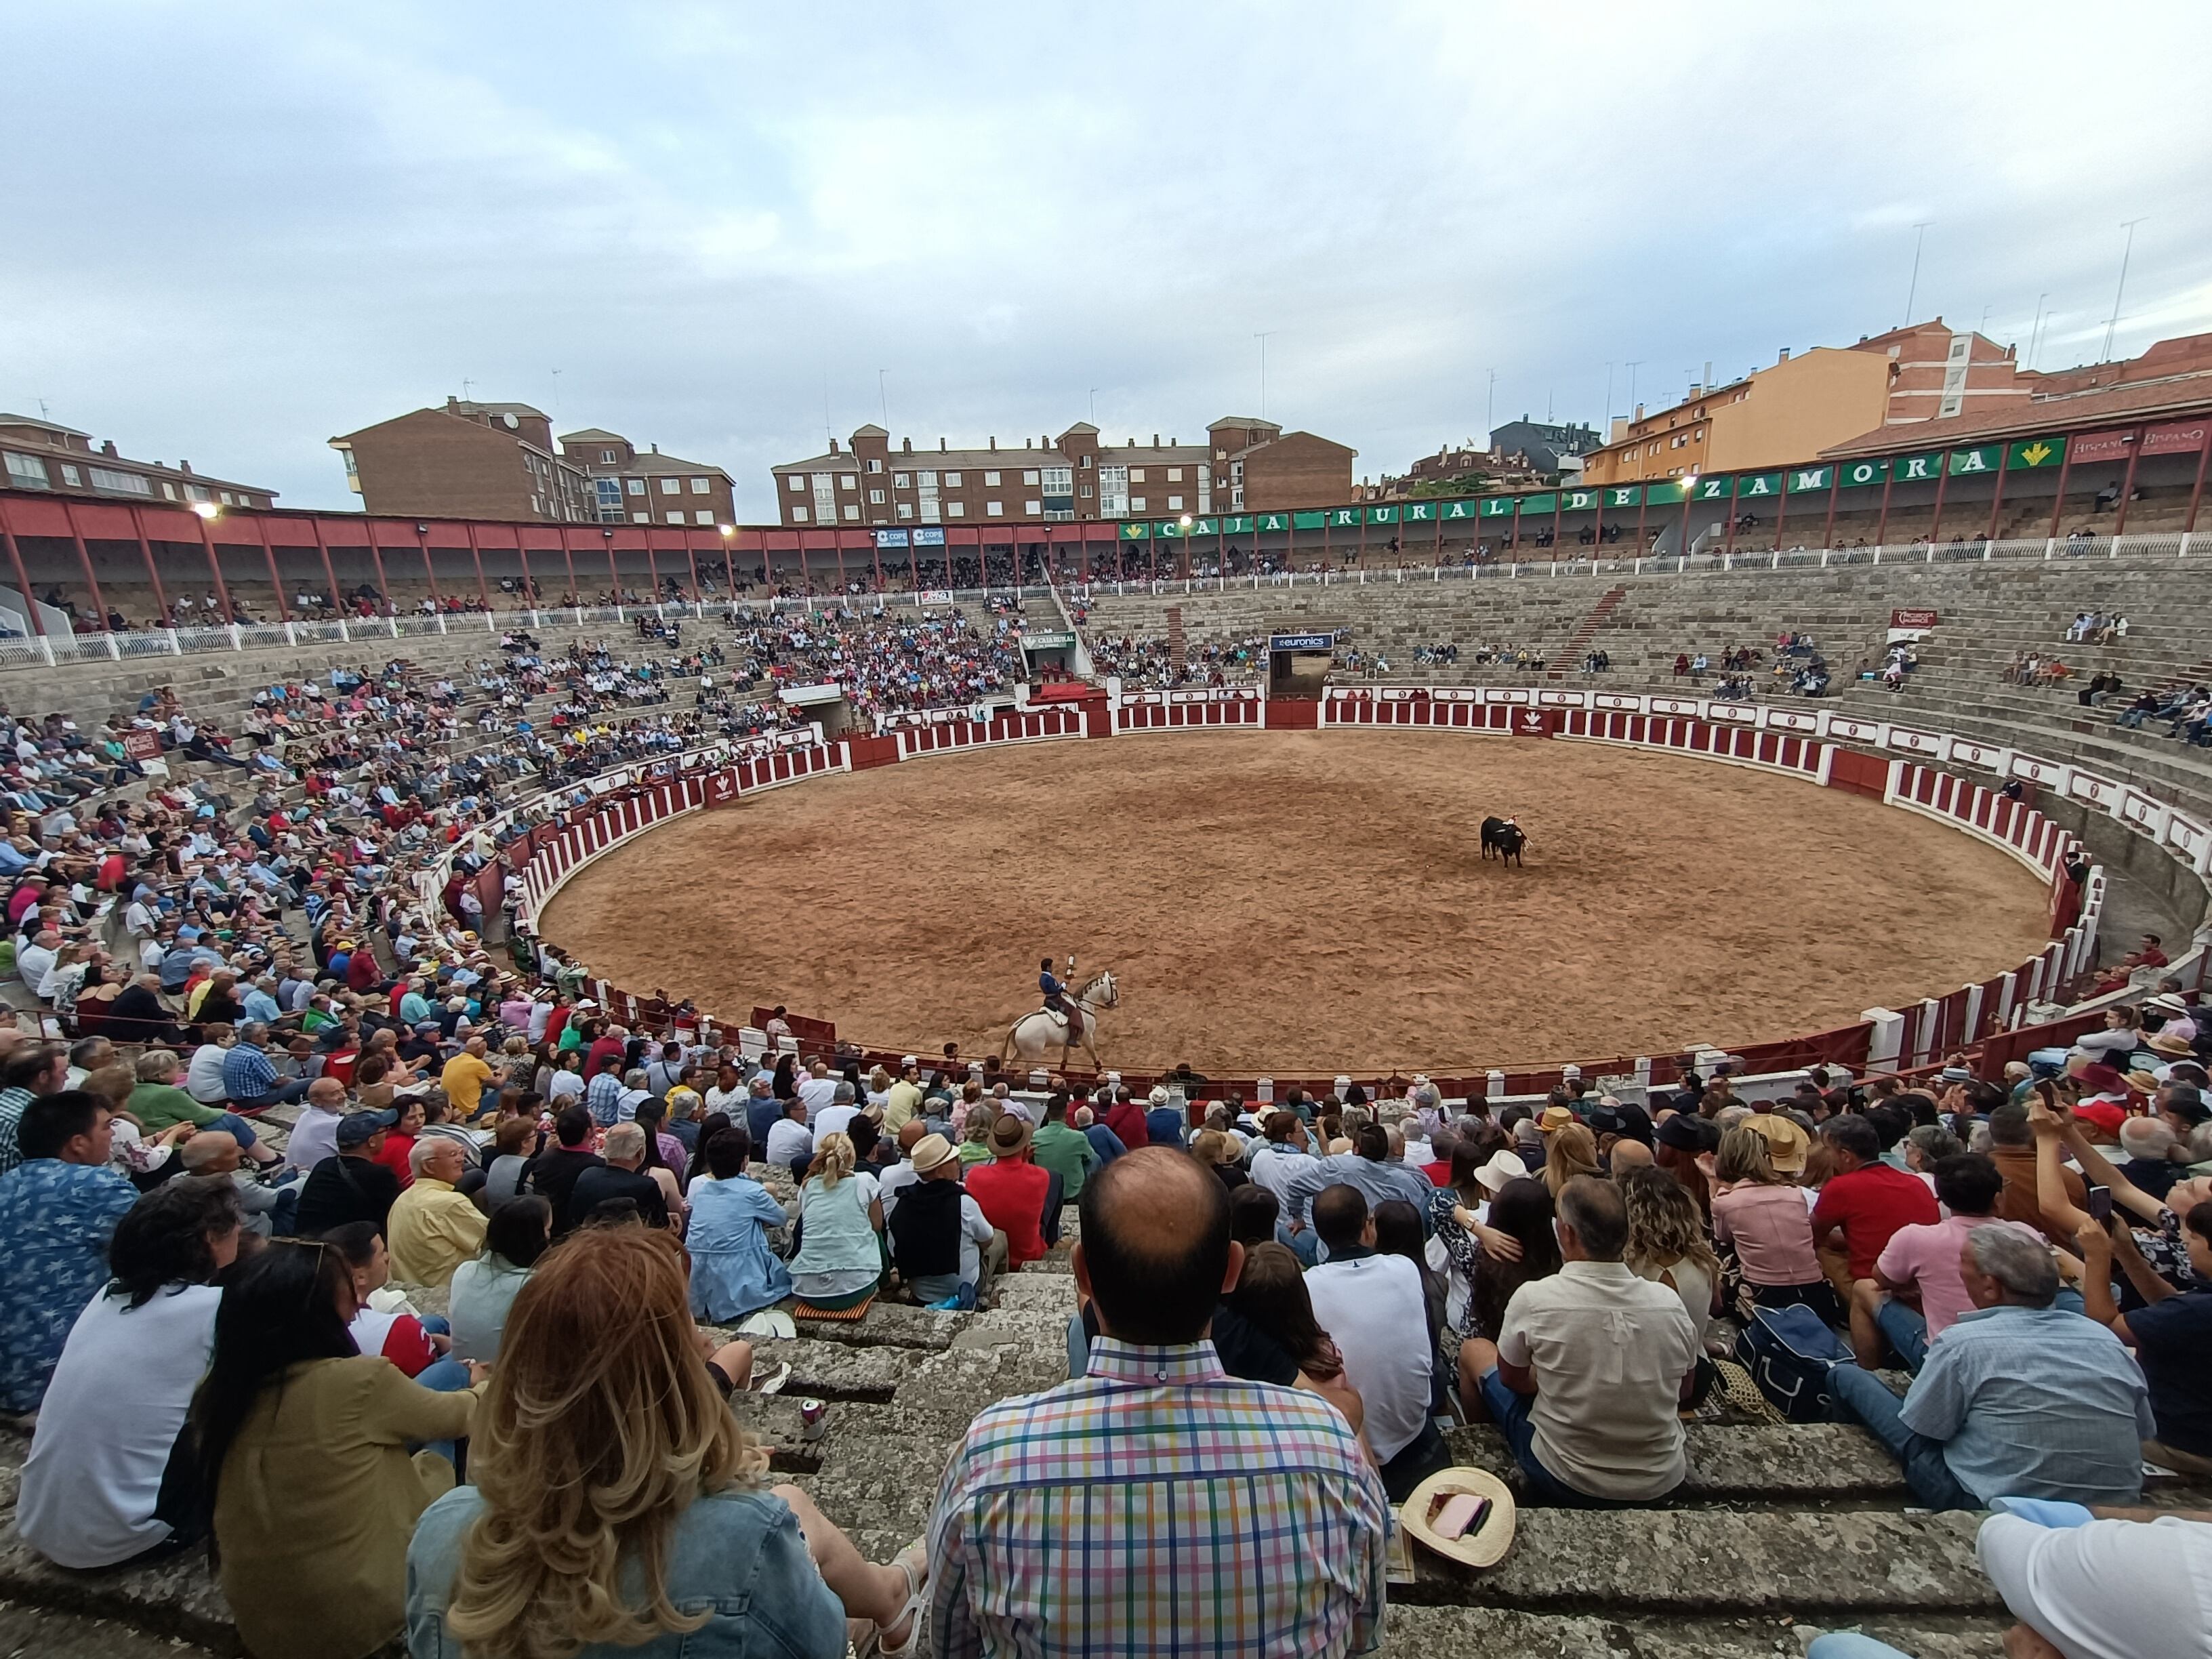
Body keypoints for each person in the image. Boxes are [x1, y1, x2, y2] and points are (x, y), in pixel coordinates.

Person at [928, 1147, 1388, 1656]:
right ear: (1232, 1270)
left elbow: (954, 1645)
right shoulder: (1331, 1449)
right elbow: (1360, 1635)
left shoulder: (992, 1459)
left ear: (1081, 1273)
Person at [407, 1225, 924, 1659]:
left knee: (791, 1504)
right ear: (672, 1375)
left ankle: (889, 1595)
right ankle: (889, 1599)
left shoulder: (441, 1530)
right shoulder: (744, 1539)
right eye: (690, 1334)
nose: (703, 1340)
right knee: (793, 1520)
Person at [190, 1238, 485, 1659]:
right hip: (365, 1614)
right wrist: (483, 1383)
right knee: (450, 1443)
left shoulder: (215, 1394)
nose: (359, 1304)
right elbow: (458, 1417)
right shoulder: (357, 1383)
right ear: (318, 1312)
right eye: (348, 1293)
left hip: (264, 1625)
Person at [1827, 1224, 2154, 1510]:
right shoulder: (2105, 1339)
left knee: (1847, 1376)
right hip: (2114, 1504)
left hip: (1989, 1501)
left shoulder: (1964, 1343)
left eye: (1963, 1267)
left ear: (1990, 1286)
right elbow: (2142, 1429)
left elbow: (1924, 1428)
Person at [17, 1176, 241, 1568]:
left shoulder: (107, 1297)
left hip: (42, 1523)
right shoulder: (215, 1310)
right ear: (210, 1239)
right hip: (125, 1534)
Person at [1460, 1174, 1700, 1507]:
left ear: (1567, 1233)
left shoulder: (1534, 1298)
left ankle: (1482, 1447)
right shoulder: (1670, 1303)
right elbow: (1684, 1389)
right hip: (1661, 1476)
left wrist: (1557, 1378)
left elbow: (1512, 1379)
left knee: (1474, 1350)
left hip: (1565, 1475)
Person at [0, 1090, 140, 1411]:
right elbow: (173, 1245)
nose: (112, 1134)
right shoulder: (97, 1185)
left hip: (11, 1368)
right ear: (78, 1143)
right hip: (57, 1372)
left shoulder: (8, 1181)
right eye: (107, 1127)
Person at [1303, 1183, 1445, 1499]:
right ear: (1368, 1227)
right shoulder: (1404, 1268)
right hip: (1410, 1425)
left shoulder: (1307, 1285)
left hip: (1357, 1431)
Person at [1862, 1152, 2044, 1372]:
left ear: (1942, 1198)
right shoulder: (2026, 1234)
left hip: (1946, 1357)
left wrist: (1913, 1285)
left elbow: (1881, 1279)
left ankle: (1872, 1375)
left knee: (1863, 1288)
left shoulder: (1915, 1237)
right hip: (2021, 1350)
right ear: (1998, 1198)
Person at [2075, 1197, 2212, 1475]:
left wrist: (2097, 1257)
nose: (2185, 1241)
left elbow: (2105, 1326)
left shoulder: (2196, 1312)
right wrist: (2126, 1251)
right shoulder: (2193, 1308)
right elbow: (2171, 1304)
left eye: (2194, 1237)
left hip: (2185, 1445)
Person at [1704, 1125, 1839, 1321]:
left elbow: (1723, 1237)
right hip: (1816, 1296)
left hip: (1764, 1298)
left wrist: (1713, 1185)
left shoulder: (1726, 1202)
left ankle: (1717, 1304)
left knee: (1719, 1242)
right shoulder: (1795, 1195)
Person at [1809, 1113, 1939, 1304]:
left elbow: (1811, 1236)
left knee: (1821, 1250)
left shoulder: (1841, 1187)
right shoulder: (1915, 1182)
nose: (1825, 1154)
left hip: (1876, 1286)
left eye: (1827, 1149)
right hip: (1923, 1284)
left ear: (1845, 1156)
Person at [1275, 1121, 1435, 1259]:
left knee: (1285, 1230)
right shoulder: (1408, 1181)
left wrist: (1298, 1219)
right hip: (1386, 1251)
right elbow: (1420, 1221)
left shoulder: (1333, 1167)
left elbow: (1295, 1185)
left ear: (1356, 1149)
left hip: (1336, 1251)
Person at [686, 1128, 796, 1322]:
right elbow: (781, 1218)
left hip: (698, 1279)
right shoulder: (753, 1192)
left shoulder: (703, 1191)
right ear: (745, 1161)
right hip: (737, 1278)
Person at [886, 1131, 1001, 1309]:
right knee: (1000, 1238)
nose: (958, 1163)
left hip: (921, 1292)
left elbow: (895, 1249)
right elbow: (987, 1241)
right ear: (940, 1170)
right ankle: (994, 1291)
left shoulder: (903, 1204)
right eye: (954, 1160)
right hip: (962, 1287)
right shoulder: (963, 1202)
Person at [448, 1195, 552, 1363]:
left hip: (462, 1366)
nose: (550, 1239)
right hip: (500, 1378)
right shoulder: (534, 1285)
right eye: (548, 1231)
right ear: (535, 1238)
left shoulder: (464, 1270)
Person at [386, 1136, 489, 1287]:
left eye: (461, 1152)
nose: (461, 1159)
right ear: (429, 1166)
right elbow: (495, 1240)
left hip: (410, 1286)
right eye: (453, 1155)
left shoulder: (403, 1199)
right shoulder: (449, 1202)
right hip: (450, 1289)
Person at [292, 1108, 403, 1237]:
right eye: (384, 1130)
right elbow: (397, 1213)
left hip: (311, 1246)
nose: (387, 1133)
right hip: (349, 1249)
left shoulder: (324, 1165)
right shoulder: (380, 1175)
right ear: (371, 1141)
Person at [966, 1111, 1052, 1266]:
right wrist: (1025, 1160)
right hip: (1026, 1256)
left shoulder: (975, 1175)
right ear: (1025, 1146)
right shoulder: (1041, 1176)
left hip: (992, 1255)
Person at [565, 1121, 672, 1231]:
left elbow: (573, 1220)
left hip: (583, 1241)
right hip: (630, 1244)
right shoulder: (646, 1186)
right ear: (640, 1152)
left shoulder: (587, 1175)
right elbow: (661, 1227)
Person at [524, 1105, 603, 1235]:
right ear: (589, 1132)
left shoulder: (544, 1157)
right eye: (594, 1122)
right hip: (574, 1231)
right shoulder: (595, 1166)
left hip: (545, 1223)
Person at [1037, 954, 1082, 1041]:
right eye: (1052, 966)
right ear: (1048, 967)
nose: (1053, 967)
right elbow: (1056, 991)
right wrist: (1065, 984)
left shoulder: (1043, 978)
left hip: (1050, 999)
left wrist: (1064, 983)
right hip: (1055, 1000)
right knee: (1073, 1011)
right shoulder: (1047, 979)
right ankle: (1072, 1038)